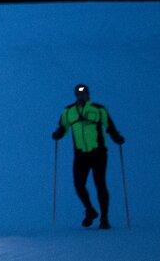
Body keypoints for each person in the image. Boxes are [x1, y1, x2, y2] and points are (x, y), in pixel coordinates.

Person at [52, 83, 124, 230]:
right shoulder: (69, 111)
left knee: (100, 184)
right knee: (79, 185)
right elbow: (63, 127)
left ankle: (104, 218)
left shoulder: (98, 109)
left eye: (83, 93)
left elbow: (109, 126)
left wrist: (116, 137)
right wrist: (58, 134)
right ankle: (90, 210)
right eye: (78, 94)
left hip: (98, 152)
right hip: (80, 154)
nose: (81, 96)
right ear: (75, 95)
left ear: (88, 94)